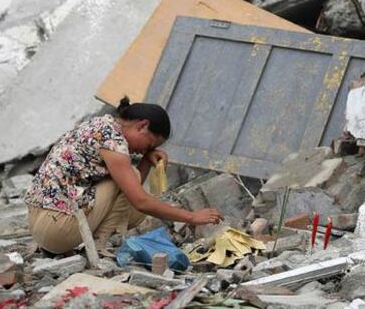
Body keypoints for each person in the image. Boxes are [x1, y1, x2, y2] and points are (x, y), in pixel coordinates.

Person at [25, 97, 223, 255]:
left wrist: (146, 160)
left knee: (132, 191)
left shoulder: (102, 125)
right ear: (142, 126)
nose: (144, 149)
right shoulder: (113, 142)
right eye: (149, 144)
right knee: (135, 188)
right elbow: (139, 200)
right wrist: (192, 217)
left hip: (43, 222)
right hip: (56, 229)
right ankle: (99, 247)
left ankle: (94, 243)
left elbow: (128, 197)